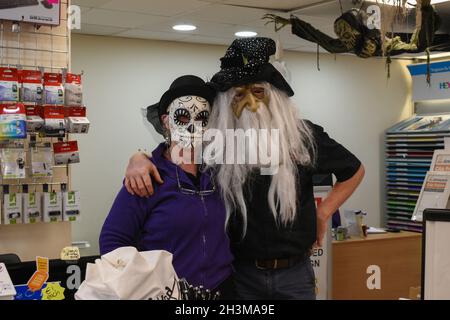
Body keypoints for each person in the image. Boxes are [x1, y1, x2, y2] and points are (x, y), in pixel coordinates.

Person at [124, 38, 365, 300]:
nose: (251, 103)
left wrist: (324, 212)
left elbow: (353, 170)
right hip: (240, 275)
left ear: (274, 96)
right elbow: (177, 146)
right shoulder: (219, 140)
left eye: (258, 92)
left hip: (294, 274)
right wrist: (139, 157)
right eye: (239, 95)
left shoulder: (303, 136)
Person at [99, 75, 234, 299]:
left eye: (202, 117)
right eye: (182, 116)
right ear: (165, 121)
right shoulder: (147, 176)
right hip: (166, 293)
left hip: (223, 290)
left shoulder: (221, 173)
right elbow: (112, 243)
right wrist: (147, 287)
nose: (193, 126)